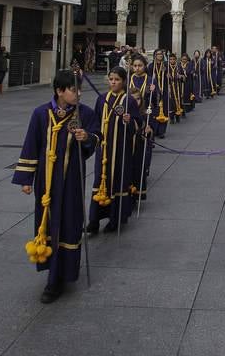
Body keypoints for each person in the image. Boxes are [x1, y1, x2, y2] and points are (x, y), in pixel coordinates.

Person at [12, 69, 99, 303]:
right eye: (73, 89)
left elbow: (98, 137)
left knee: (69, 222)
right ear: (59, 91)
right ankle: (52, 276)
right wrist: (26, 179)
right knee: (48, 223)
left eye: (79, 89)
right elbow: (31, 144)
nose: (78, 93)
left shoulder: (84, 113)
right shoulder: (41, 114)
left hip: (71, 179)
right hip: (46, 182)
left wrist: (87, 138)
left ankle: (64, 274)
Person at [87, 66, 141, 234]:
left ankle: (115, 219)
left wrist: (129, 120)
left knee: (117, 180)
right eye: (111, 79)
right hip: (103, 149)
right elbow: (95, 122)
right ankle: (94, 220)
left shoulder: (129, 101)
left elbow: (138, 124)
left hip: (120, 149)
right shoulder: (102, 99)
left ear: (123, 81)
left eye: (117, 79)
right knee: (100, 181)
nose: (113, 82)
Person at [128, 54, 155, 206]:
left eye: (140, 66)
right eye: (135, 66)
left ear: (145, 66)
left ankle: (145, 167)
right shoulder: (128, 79)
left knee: (146, 148)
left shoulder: (150, 80)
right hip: (131, 117)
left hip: (145, 114)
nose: (137, 68)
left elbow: (155, 102)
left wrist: (154, 91)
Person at [148, 49, 169, 137]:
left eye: (161, 54)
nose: (160, 55)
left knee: (164, 109)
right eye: (158, 54)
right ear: (155, 56)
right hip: (155, 90)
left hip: (164, 89)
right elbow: (148, 78)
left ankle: (162, 131)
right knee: (155, 110)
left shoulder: (165, 65)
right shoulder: (151, 66)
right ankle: (155, 129)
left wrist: (167, 74)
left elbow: (170, 77)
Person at [167, 53, 183, 123]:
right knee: (171, 102)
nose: (172, 61)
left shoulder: (179, 66)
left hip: (177, 87)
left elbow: (184, 76)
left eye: (173, 59)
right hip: (170, 87)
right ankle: (171, 117)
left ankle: (178, 116)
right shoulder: (166, 67)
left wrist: (181, 76)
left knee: (178, 100)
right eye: (170, 59)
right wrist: (166, 76)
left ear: (176, 60)